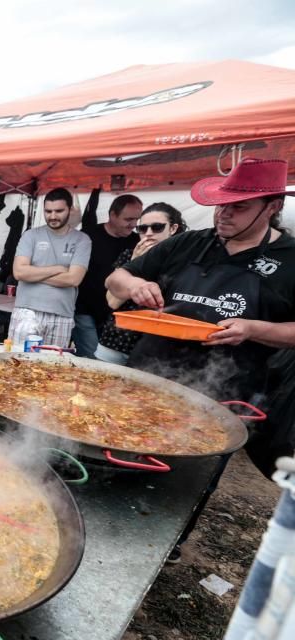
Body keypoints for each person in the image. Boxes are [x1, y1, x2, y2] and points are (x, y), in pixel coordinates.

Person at [106, 158, 295, 562]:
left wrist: (254, 329)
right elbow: (116, 279)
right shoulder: (190, 242)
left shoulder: (291, 258)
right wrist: (138, 285)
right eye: (221, 205)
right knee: (121, 461)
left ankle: (164, 549)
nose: (223, 214)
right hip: (148, 378)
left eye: (238, 207)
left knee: (186, 481)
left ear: (273, 206)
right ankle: (109, 534)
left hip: (222, 397)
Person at [95, 203, 186, 365]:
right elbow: (112, 301)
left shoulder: (184, 261)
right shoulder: (130, 255)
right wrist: (135, 263)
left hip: (155, 351)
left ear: (173, 229)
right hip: (116, 341)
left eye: (157, 227)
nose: (148, 234)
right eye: (142, 229)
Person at [8, 188, 92, 349]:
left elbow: (74, 279)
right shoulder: (30, 235)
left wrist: (33, 272)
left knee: (51, 368)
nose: (52, 216)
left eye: (59, 211)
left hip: (62, 314)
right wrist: (58, 268)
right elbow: (19, 272)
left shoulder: (82, 240)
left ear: (70, 209)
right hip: (27, 311)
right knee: (17, 362)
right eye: (48, 211)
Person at [71, 194, 142, 358]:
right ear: (112, 215)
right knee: (92, 358)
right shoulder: (88, 236)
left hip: (114, 315)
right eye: (128, 219)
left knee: (104, 361)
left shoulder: (137, 241)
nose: (133, 225)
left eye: (137, 219)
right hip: (84, 310)